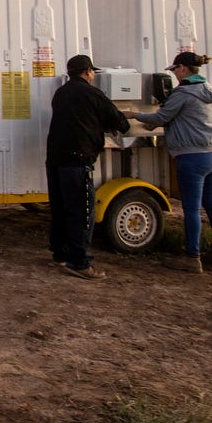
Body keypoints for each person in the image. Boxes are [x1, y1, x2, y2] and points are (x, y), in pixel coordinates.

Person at [124, 51, 212, 274]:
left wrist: (133, 114)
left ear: (183, 69)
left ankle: (192, 257)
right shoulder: (208, 89)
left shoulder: (183, 92)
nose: (174, 76)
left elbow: (161, 118)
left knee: (191, 208)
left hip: (194, 158)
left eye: (175, 71)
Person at [46, 54, 130, 280]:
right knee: (82, 211)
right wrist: (121, 122)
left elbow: (78, 119)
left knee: (61, 208)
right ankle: (79, 262)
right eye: (92, 72)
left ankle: (60, 253)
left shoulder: (61, 93)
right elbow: (120, 121)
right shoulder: (93, 93)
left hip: (55, 159)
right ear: (87, 72)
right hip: (77, 160)